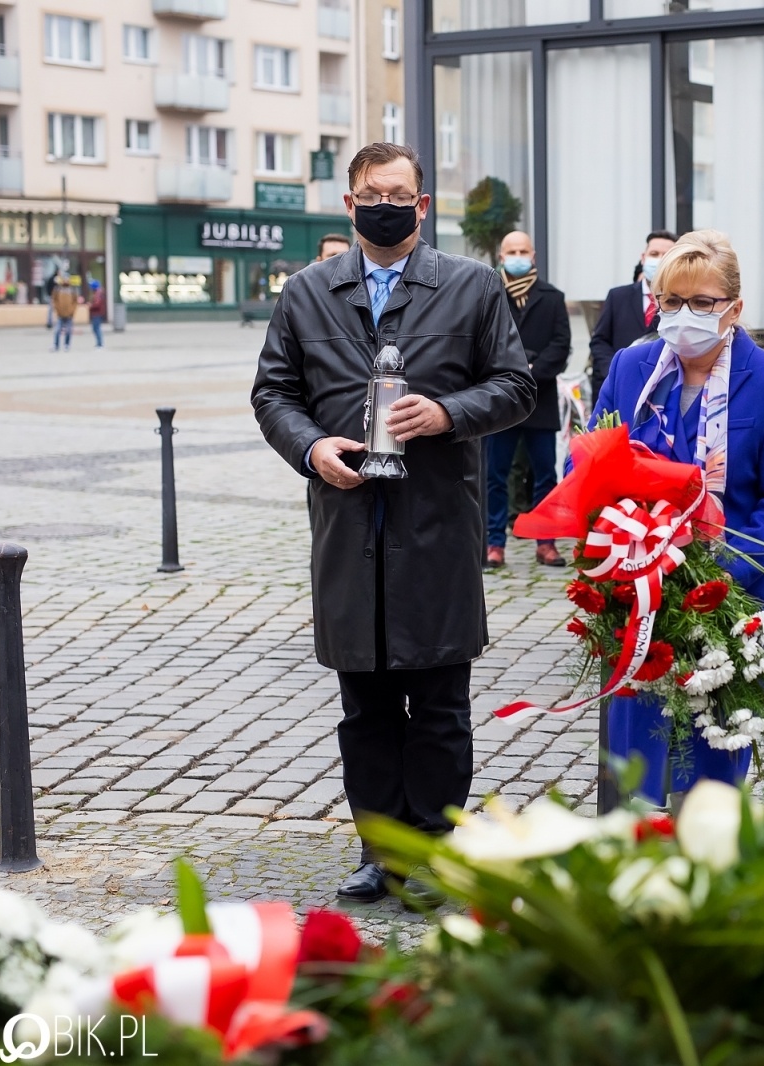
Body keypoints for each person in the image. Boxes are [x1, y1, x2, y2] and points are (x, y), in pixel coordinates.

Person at [251, 142, 535, 904]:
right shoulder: (306, 293)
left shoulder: (473, 288)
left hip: (436, 521)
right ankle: (381, 850)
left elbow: (516, 386)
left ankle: (435, 849)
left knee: (440, 705)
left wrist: (446, 412)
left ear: (422, 204)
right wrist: (311, 449)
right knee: (365, 705)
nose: (385, 203)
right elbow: (273, 394)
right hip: (348, 526)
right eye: (370, 192)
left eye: (399, 192)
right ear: (349, 204)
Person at [589, 228, 764, 803]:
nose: (684, 314)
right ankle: (631, 866)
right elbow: (590, 458)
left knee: (710, 761)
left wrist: (716, 579)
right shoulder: (631, 367)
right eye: (671, 302)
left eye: (702, 303)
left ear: (734, 309)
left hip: (728, 599)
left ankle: (706, 871)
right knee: (633, 757)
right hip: (638, 594)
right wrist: (625, 549)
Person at [486, 230, 572, 568]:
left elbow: (561, 345)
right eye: (512, 251)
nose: (518, 256)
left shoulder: (552, 297)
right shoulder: (488, 294)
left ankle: (546, 541)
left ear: (533, 256)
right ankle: (495, 542)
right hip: (500, 400)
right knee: (495, 475)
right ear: (501, 256)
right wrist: (516, 366)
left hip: (540, 398)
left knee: (545, 475)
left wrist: (530, 368)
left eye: (524, 250)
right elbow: (484, 341)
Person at [588, 230, 678, 406]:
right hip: (617, 391)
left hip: (661, 394)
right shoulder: (618, 296)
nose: (658, 260)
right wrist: (615, 371)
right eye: (654, 254)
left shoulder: (681, 303)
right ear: (643, 258)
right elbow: (599, 341)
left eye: (665, 256)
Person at [50, 278, 78, 351]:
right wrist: (57, 309)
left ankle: (67, 345)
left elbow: (75, 301)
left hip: (69, 315)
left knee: (68, 331)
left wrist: (72, 310)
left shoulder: (72, 290)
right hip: (60, 314)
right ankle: (56, 345)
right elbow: (54, 299)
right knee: (57, 330)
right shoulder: (58, 289)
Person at [87, 279, 106, 348]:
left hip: (97, 313)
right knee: (96, 328)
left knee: (96, 328)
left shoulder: (98, 293)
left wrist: (91, 305)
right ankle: (99, 343)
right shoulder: (97, 293)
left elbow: (97, 304)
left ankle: (100, 343)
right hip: (96, 313)